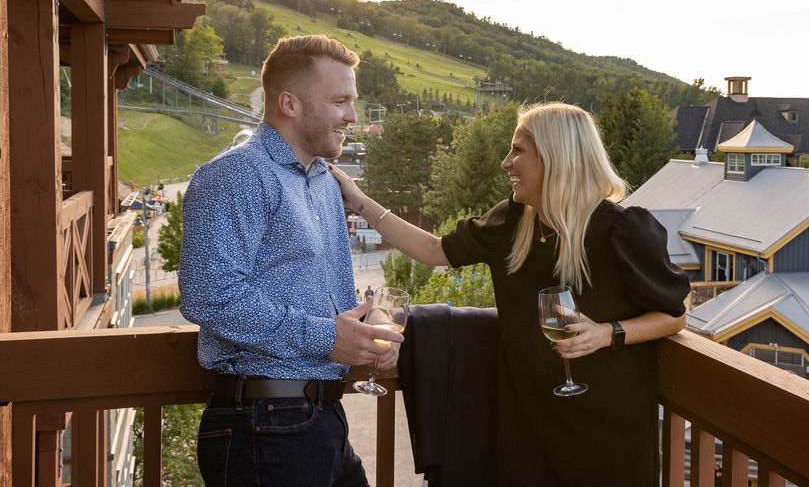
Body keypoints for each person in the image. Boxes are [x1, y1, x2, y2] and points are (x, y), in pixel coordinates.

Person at [330, 102, 690, 486]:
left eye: (518, 150)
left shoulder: (623, 230)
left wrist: (607, 333)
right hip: (527, 424)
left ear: (555, 157)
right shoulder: (512, 222)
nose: (506, 163)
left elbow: (674, 314)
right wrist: (359, 200)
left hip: (606, 436)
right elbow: (434, 251)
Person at [179, 35, 403, 487]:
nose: (352, 116)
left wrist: (370, 318)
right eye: (340, 101)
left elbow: (331, 297)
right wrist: (328, 338)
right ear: (289, 103)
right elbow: (210, 296)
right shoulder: (235, 174)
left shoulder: (323, 179)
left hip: (320, 419)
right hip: (264, 424)